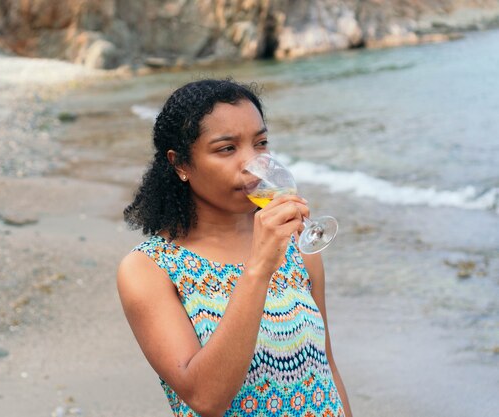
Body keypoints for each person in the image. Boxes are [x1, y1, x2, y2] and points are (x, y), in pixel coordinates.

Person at [117, 78, 353, 417]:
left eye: (261, 143)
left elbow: (327, 367)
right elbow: (206, 398)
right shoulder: (149, 269)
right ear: (180, 164)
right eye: (227, 148)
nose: (252, 164)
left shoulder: (297, 248)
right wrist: (258, 267)